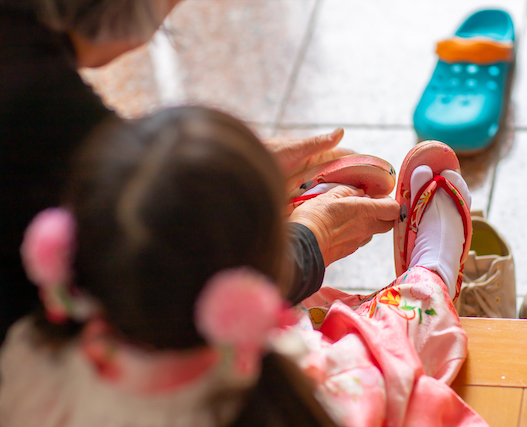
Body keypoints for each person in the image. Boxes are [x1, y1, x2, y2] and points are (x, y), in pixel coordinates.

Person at [0, 106, 486, 426]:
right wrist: (309, 241)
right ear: (246, 293)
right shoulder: (281, 386)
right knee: (383, 346)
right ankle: (433, 278)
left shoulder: (23, 358)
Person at [0, 0, 398, 341]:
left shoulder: (26, 61)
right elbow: (172, 303)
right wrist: (309, 244)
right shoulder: (45, 114)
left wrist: (231, 171)